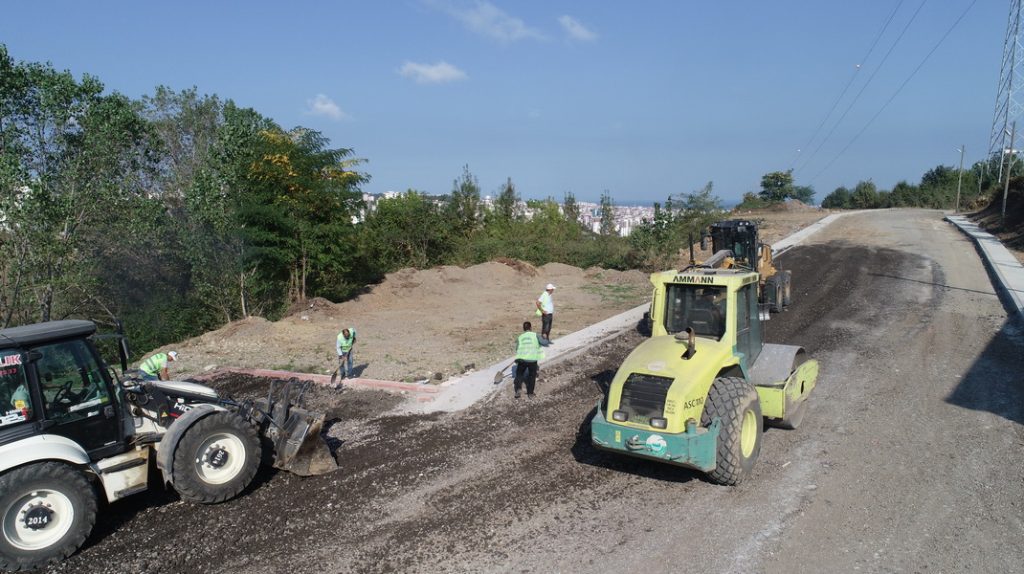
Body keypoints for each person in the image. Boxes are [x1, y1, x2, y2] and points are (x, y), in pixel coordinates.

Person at [512, 321, 544, 399]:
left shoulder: (520, 337)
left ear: (524, 329)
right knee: (532, 376)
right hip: (532, 360)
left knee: (519, 374)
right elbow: (540, 344)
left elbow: (517, 349)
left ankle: (518, 389)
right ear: (530, 328)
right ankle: (530, 393)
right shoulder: (535, 335)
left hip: (522, 359)